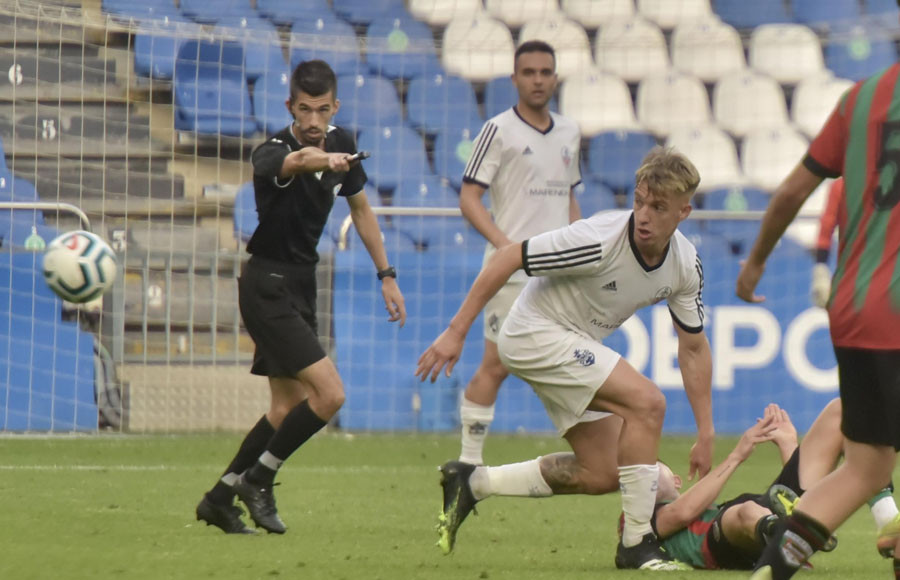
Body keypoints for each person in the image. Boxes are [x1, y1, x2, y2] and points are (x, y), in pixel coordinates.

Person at [417, 146, 714, 570]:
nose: (644, 215)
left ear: (683, 212)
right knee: (648, 404)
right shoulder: (597, 240)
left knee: (601, 473)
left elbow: (693, 346)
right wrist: (455, 331)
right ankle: (637, 543)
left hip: (573, 343)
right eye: (640, 201)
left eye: (659, 207)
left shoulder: (685, 265)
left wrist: (705, 430)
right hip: (533, 332)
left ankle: (474, 482)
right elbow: (507, 257)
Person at [195, 60, 406, 535]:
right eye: (305, 110)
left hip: (300, 282)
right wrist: (324, 160)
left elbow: (362, 209)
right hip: (266, 284)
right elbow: (297, 162)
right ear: (290, 106)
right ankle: (260, 478)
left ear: (335, 107)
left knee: (285, 407)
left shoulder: (343, 142)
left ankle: (219, 498)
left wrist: (386, 274)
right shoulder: (272, 152)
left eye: (322, 111)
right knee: (330, 395)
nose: (313, 121)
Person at [735, 36, 900, 577]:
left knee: (866, 468)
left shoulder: (859, 99)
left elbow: (789, 193)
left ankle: (768, 572)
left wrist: (756, 261)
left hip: (852, 308)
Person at [455, 40, 583, 467]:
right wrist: (507, 247)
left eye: (545, 72)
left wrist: (580, 250)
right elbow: (470, 198)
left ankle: (592, 455)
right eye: (529, 73)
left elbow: (568, 199)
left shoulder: (569, 132)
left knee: (572, 365)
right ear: (514, 79)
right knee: (496, 365)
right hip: (510, 272)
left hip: (558, 272)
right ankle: (468, 463)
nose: (538, 80)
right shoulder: (499, 129)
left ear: (555, 78)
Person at [650, 400, 898, 570]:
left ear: (676, 480)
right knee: (744, 511)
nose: (645, 474)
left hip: (764, 509)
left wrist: (788, 444)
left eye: (653, 466)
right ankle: (792, 530)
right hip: (722, 538)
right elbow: (681, 512)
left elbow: (789, 493)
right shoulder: (642, 519)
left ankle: (886, 518)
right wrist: (737, 456)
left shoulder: (690, 504)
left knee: (843, 411)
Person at [809, 178, 845, 308]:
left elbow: (826, 226)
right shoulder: (842, 185)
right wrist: (821, 269)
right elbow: (827, 226)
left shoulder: (842, 184)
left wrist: (820, 267)